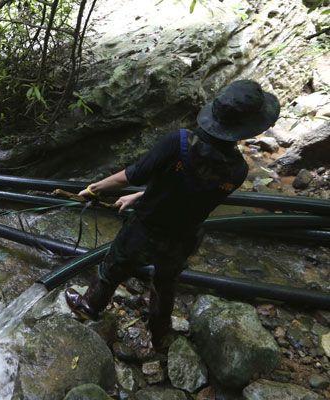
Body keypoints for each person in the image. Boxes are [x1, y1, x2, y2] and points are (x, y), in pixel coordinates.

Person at [64, 80, 280, 349]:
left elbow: (134, 175)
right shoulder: (237, 171)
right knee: (165, 283)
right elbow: (191, 193)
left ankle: (89, 306)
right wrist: (138, 196)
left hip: (145, 228)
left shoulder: (177, 143)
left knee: (113, 268)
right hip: (183, 236)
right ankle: (158, 332)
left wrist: (93, 189)